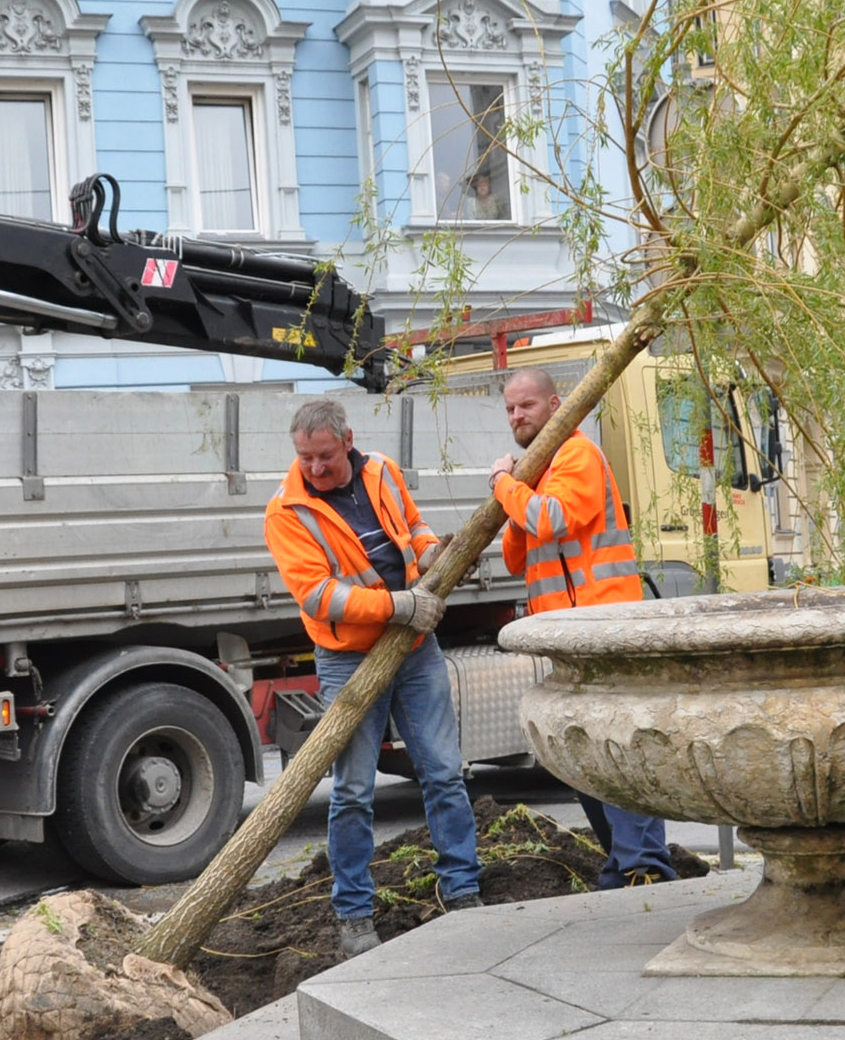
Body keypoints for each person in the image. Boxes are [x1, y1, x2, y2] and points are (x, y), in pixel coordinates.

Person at [265, 395, 483, 958]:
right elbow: (318, 596)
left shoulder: (382, 470)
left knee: (443, 773)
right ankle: (354, 914)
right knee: (354, 791)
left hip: (413, 648)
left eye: (326, 457)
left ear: (348, 441)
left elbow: (412, 529)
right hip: (349, 656)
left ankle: (463, 890)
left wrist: (435, 554)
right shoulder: (287, 512)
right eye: (305, 457)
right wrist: (398, 606)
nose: (315, 469)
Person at [491, 364, 677, 887]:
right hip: (567, 634)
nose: (516, 415)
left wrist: (505, 484)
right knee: (581, 754)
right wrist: (516, 490)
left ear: (555, 407)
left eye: (526, 404)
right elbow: (516, 554)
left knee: (615, 749)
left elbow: (550, 520)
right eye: (509, 408)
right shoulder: (539, 472)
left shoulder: (576, 454)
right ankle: (623, 862)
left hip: (603, 626)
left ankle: (645, 866)